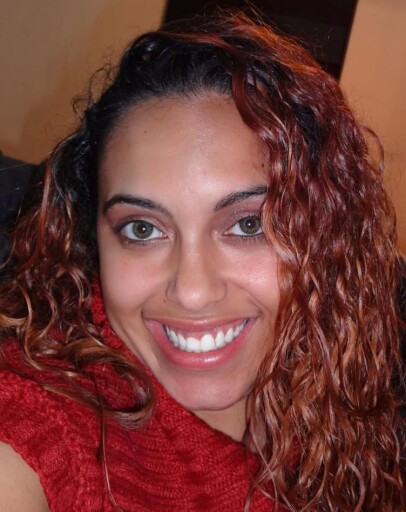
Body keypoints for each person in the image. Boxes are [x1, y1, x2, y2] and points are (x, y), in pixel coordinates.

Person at [0, 11, 404, 512]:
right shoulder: (50, 424)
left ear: (324, 234)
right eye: (142, 229)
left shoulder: (347, 397)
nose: (192, 292)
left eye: (248, 224)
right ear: (92, 241)